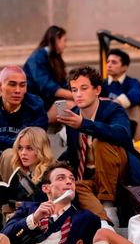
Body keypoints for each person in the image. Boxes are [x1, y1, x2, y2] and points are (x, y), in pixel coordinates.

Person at [57, 66, 133, 227]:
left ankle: (108, 206)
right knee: (75, 186)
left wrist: (85, 124)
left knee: (101, 141)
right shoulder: (73, 114)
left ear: (97, 90)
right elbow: (72, 152)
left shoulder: (113, 109)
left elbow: (122, 134)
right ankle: (105, 221)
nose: (78, 94)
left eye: (84, 88)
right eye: (74, 89)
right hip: (89, 175)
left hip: (117, 172)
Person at [0, 127, 54, 221]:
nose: (23, 153)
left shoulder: (53, 173)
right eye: (20, 148)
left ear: (41, 149)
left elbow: (56, 207)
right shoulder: (19, 173)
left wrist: (25, 207)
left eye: (29, 148)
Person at [23, 25, 74, 123]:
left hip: (50, 104)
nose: (66, 45)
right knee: (72, 107)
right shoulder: (37, 58)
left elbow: (63, 83)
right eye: (64, 40)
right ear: (56, 40)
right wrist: (75, 95)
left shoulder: (54, 58)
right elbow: (48, 87)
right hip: (36, 109)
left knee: (81, 104)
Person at [0, 65, 48, 154]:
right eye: (12, 84)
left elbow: (30, 143)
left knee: (10, 154)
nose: (18, 90)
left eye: (22, 85)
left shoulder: (35, 106)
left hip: (21, 158)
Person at [101, 48, 140, 141]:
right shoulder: (102, 84)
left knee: (135, 107)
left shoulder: (132, 82)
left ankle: (130, 139)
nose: (109, 65)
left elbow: (137, 94)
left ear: (124, 67)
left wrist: (117, 102)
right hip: (105, 122)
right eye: (108, 61)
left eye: (114, 62)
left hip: (125, 123)